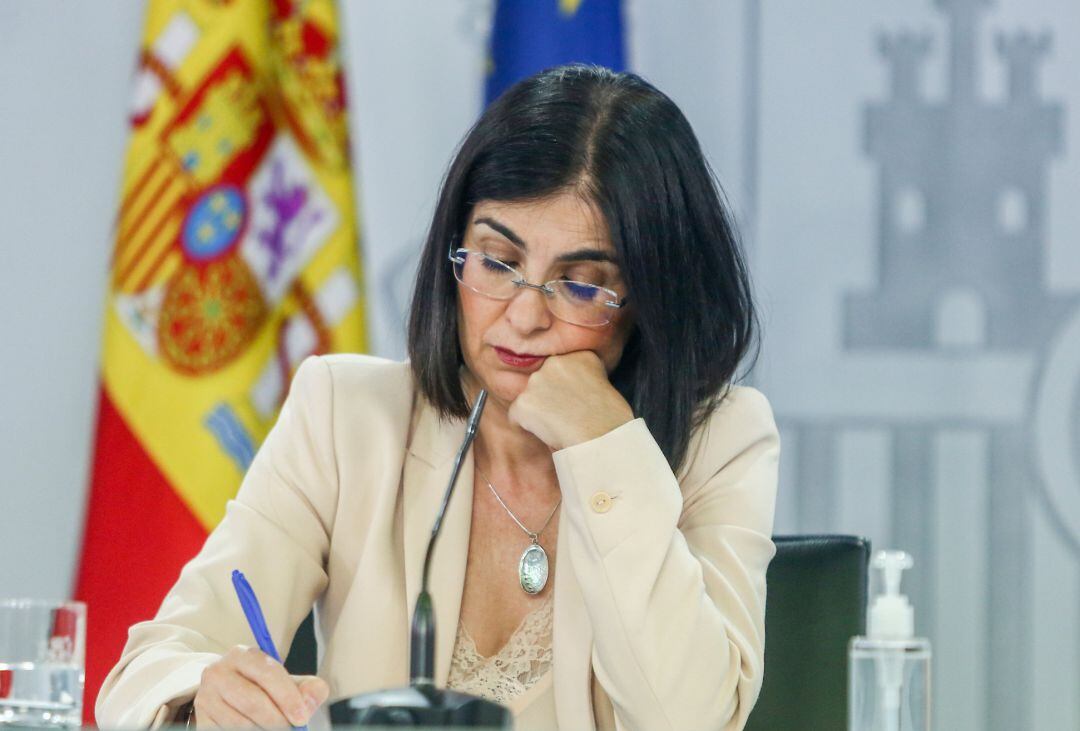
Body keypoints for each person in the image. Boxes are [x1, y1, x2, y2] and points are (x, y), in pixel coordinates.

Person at [96, 64, 779, 731]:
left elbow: (691, 719)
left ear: (648, 300)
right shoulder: (347, 415)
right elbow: (150, 665)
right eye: (496, 261)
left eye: (578, 283)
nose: (522, 315)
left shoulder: (721, 441)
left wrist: (604, 447)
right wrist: (203, 698)